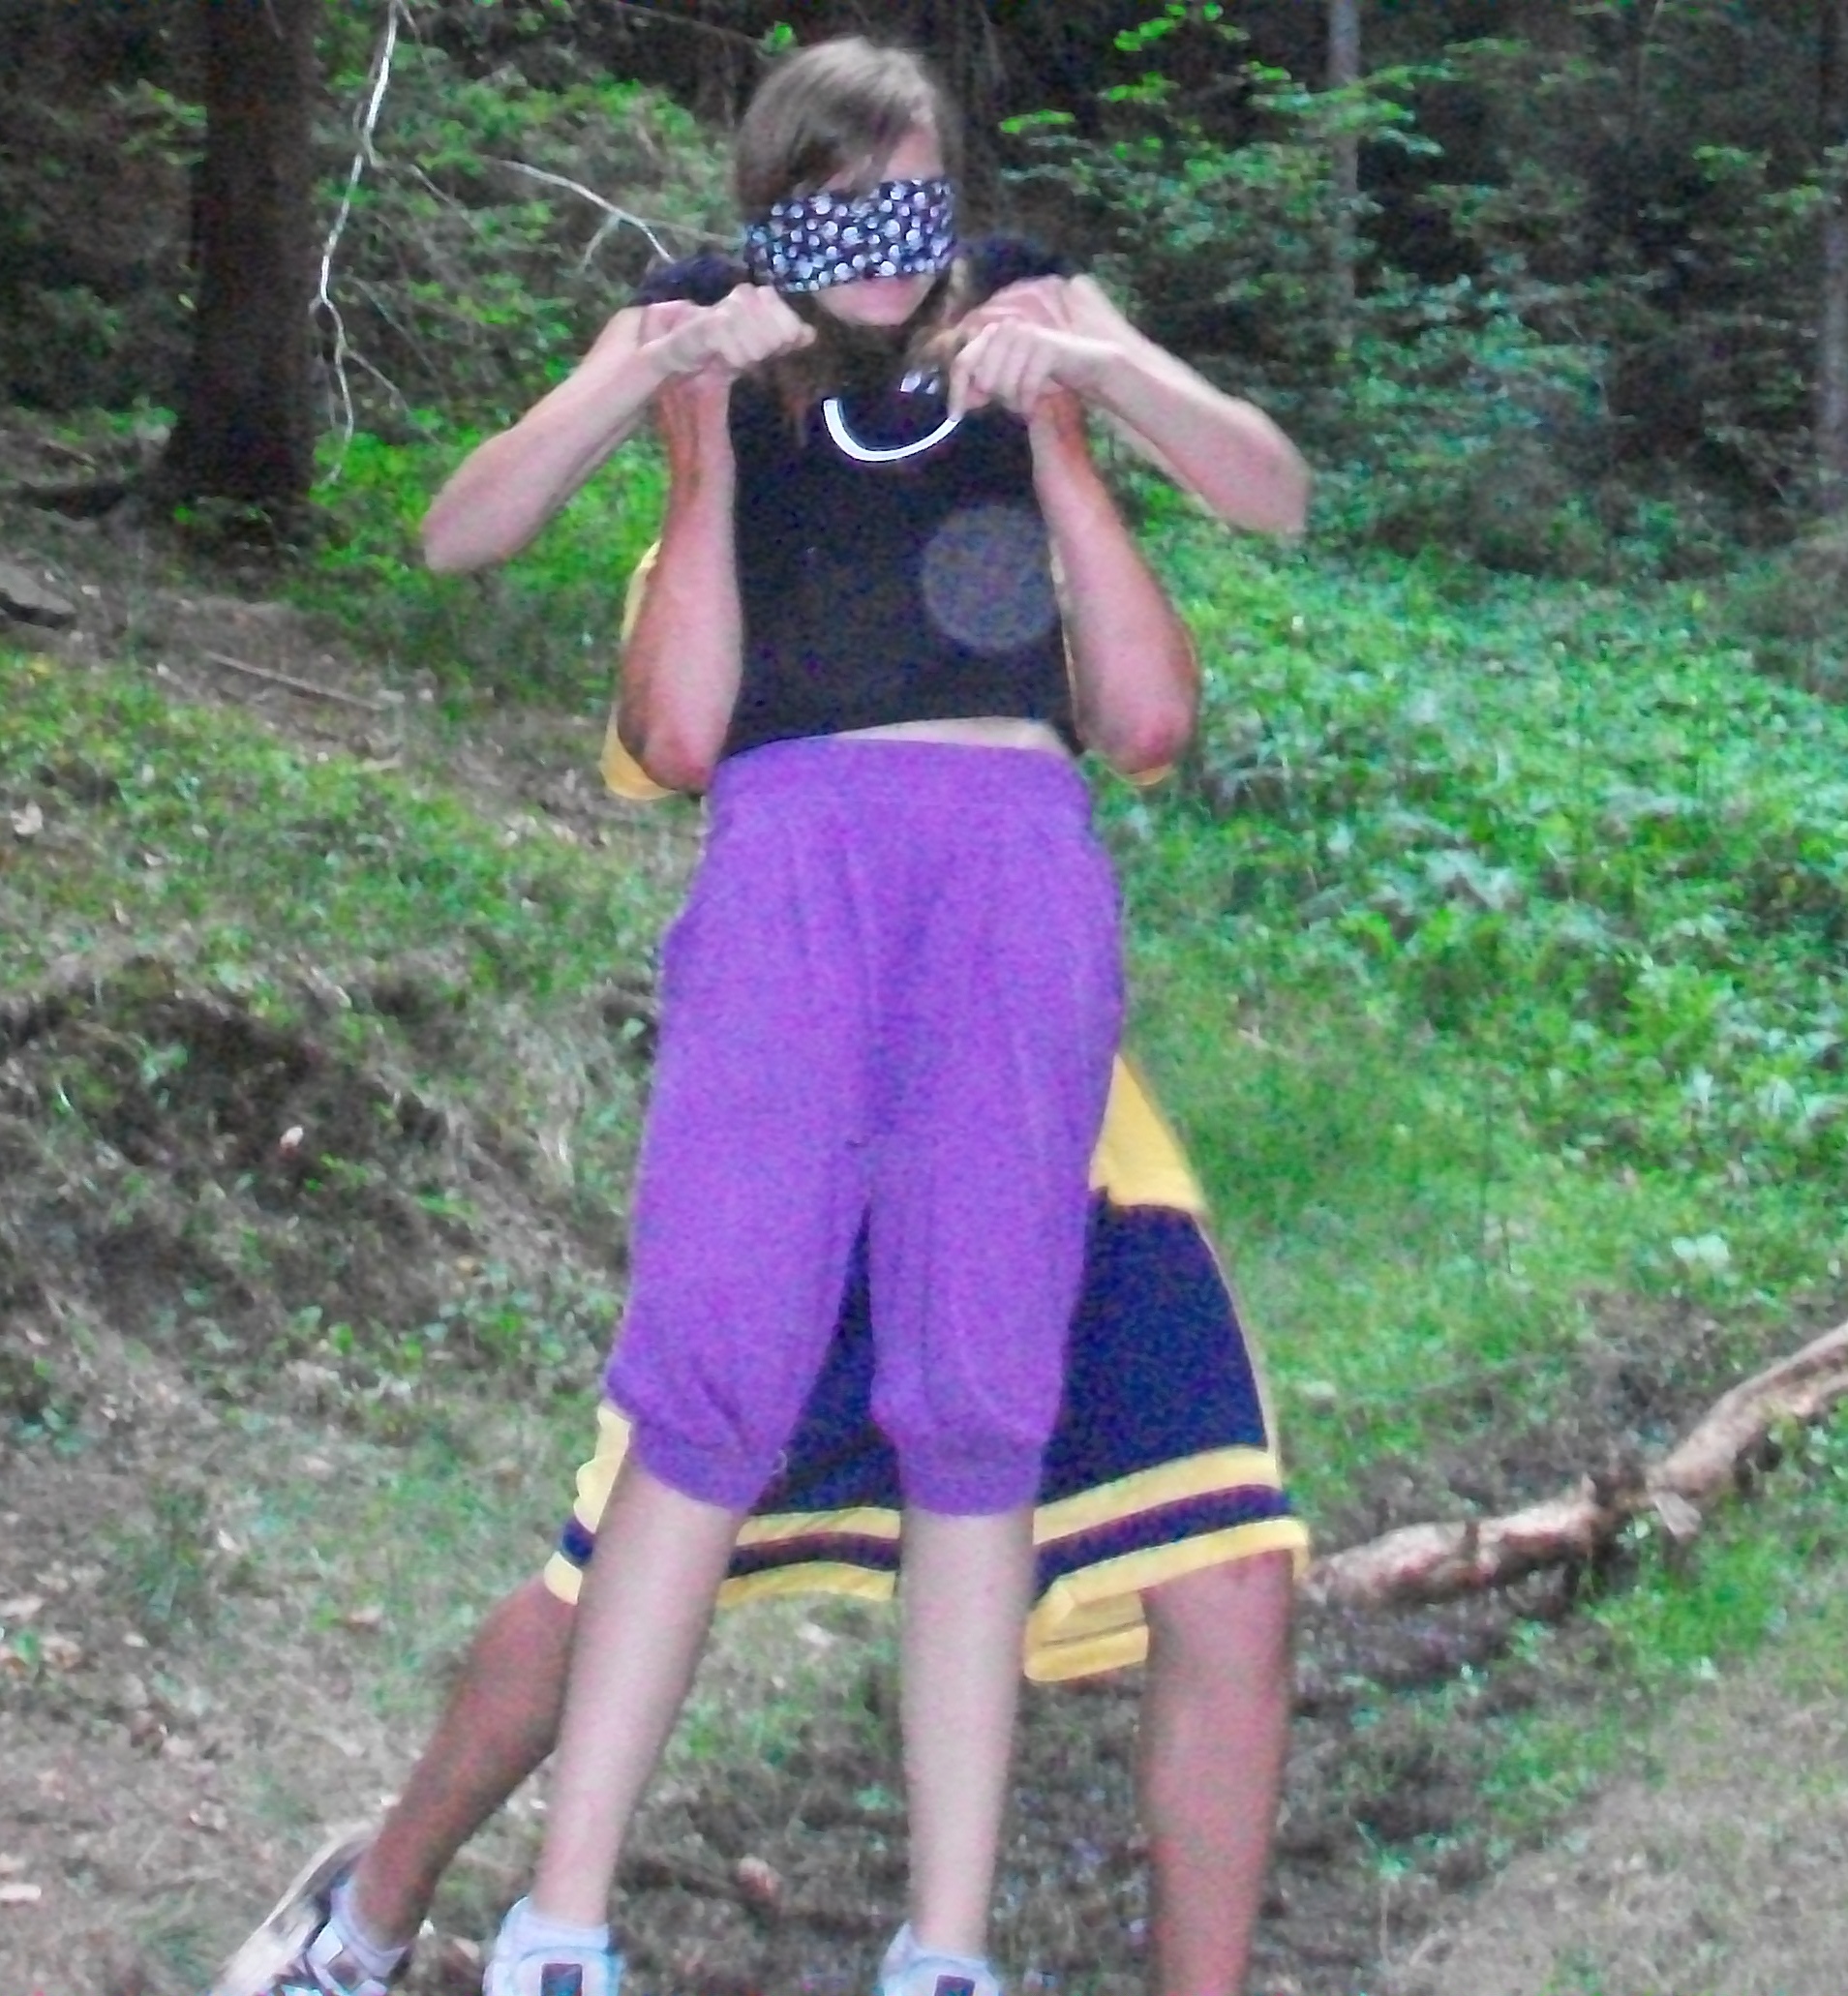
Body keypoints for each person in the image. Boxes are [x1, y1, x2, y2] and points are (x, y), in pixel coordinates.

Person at [394, 36, 1307, 1996]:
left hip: (1014, 861)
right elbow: (463, 537)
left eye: (909, 196)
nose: (878, 244)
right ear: (773, 205)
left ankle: (944, 1945)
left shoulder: (1022, 301)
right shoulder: (705, 333)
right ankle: (559, 1926)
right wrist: (659, 388)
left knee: (981, 1405)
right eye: (832, 206)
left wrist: (1091, 378)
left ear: (949, 184)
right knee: (707, 1380)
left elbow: (1270, 494)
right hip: (794, 862)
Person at [203, 1054, 1304, 1996]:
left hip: (1057, 1121)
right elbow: (703, 854)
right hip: (815, 1127)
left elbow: (1118, 843)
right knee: (607, 1586)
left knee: (1229, 1562)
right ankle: (359, 1924)